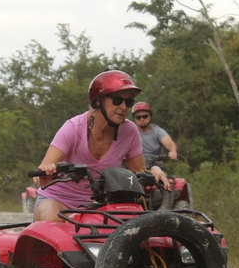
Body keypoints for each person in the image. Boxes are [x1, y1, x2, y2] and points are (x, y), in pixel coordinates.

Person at [33, 70, 170, 222]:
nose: (124, 107)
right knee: (52, 225)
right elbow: (42, 173)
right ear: (98, 101)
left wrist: (155, 171)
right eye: (117, 100)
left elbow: (139, 173)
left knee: (136, 235)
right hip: (57, 199)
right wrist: (47, 171)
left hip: (99, 205)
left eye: (129, 102)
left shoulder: (130, 131)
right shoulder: (73, 127)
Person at [132, 102, 178, 168]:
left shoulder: (157, 131)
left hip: (155, 167)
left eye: (145, 116)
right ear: (134, 118)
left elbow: (169, 143)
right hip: (135, 167)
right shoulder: (130, 132)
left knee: (158, 174)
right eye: (138, 117)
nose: (142, 119)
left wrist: (173, 151)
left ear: (150, 116)